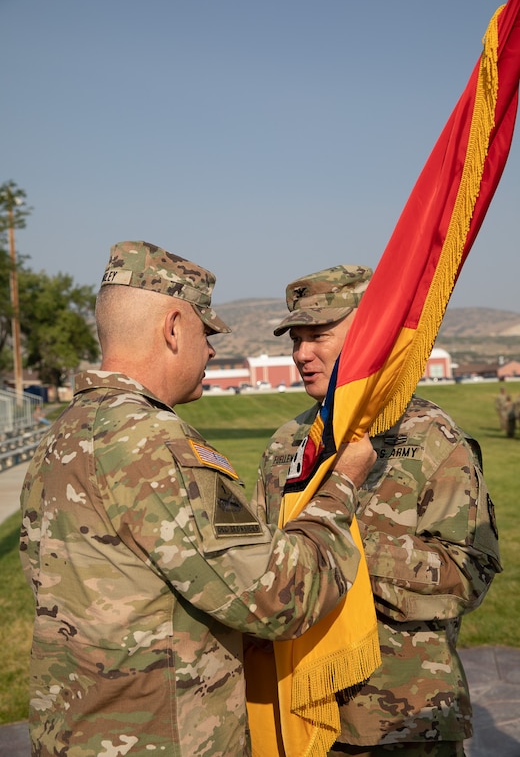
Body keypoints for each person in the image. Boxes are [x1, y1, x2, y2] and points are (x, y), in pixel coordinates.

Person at [19, 242, 376, 757]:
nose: (211, 351)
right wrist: (341, 485)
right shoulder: (158, 446)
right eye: (206, 333)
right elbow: (279, 599)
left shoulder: (62, 435)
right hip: (162, 739)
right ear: (172, 328)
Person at [255, 264, 502, 757]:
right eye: (295, 339)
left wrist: (340, 553)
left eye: (319, 335)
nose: (302, 354)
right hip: (298, 709)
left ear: (372, 336)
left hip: (405, 723)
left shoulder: (432, 438)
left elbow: (471, 573)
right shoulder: (288, 444)